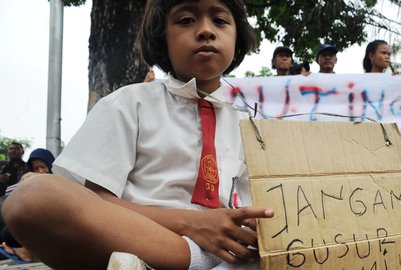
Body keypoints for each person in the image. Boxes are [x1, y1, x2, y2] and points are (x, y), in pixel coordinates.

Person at [2, 1, 274, 269]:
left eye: (220, 20)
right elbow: (97, 202)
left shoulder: (253, 126)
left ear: (237, 37)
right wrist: (191, 224)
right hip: (149, 244)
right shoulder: (126, 104)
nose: (206, 30)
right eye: (186, 20)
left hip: (235, 250)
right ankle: (195, 261)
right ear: (161, 36)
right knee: (32, 196)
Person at [0, 148, 56, 263]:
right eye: (36, 168)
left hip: (54, 222)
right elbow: (8, 195)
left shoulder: (61, 180)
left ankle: (26, 252)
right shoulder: (30, 178)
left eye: (43, 166)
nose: (40, 171)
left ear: (51, 166)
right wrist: (24, 183)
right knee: (7, 232)